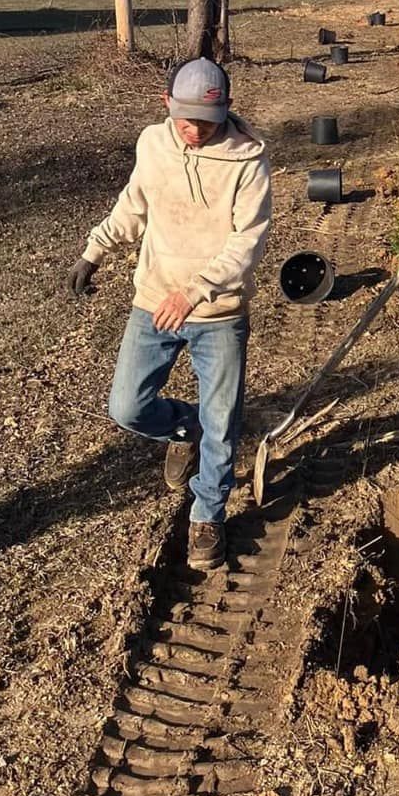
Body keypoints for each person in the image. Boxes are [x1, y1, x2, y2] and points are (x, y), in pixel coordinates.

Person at [67, 57, 272, 571]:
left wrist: (198, 291)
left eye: (207, 121)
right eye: (186, 120)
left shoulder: (248, 161)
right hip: (154, 298)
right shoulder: (153, 145)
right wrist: (95, 250)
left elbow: (248, 242)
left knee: (222, 421)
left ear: (226, 111)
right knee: (127, 407)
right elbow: (134, 205)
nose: (196, 130)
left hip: (219, 310)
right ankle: (184, 430)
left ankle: (208, 516)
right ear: (167, 107)